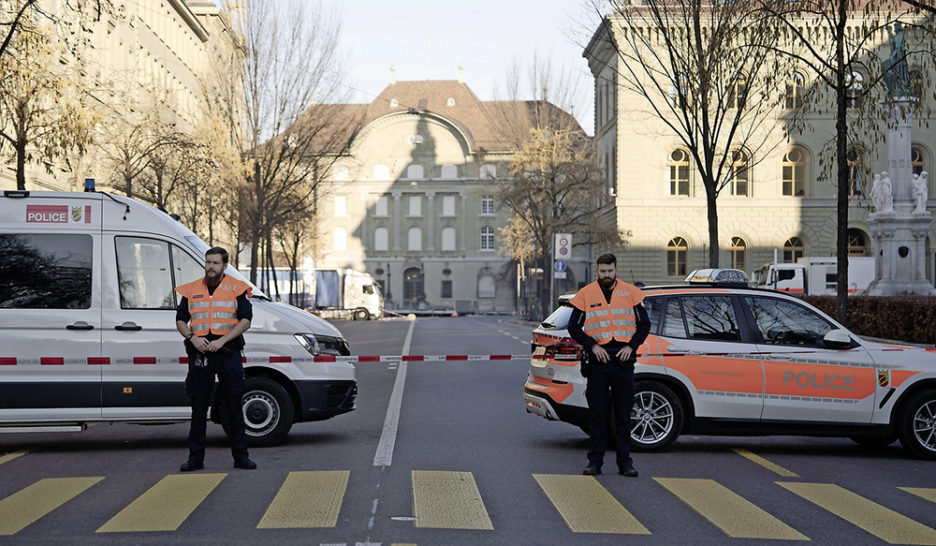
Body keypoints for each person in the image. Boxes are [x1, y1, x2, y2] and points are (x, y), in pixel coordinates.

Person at [567, 253, 651, 477]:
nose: (606, 275)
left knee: (623, 415)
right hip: (598, 363)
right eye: (602, 271)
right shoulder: (586, 294)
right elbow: (573, 327)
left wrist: (631, 346)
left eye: (610, 271)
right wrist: (592, 346)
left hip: (623, 362)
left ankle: (625, 463)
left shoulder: (631, 292)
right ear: (597, 271)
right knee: (598, 415)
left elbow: (644, 325)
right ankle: (594, 462)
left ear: (616, 270)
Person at [175, 247, 256, 471]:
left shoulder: (237, 288)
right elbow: (181, 320)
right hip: (200, 354)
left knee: (233, 407)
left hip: (228, 352)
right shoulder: (191, 290)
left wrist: (222, 340)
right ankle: (195, 459)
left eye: (215, 263)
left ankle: (241, 457)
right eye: (208, 262)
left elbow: (246, 320)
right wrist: (193, 338)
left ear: (224, 266)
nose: (210, 267)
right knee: (199, 408)